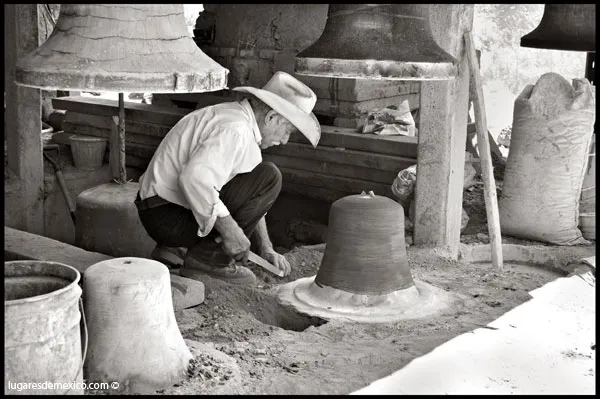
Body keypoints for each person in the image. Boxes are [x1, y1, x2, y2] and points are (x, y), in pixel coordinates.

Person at [134, 71, 321, 285]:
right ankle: (209, 260)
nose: (285, 140)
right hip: (165, 216)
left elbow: (251, 198)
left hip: (161, 210)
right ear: (272, 118)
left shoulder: (236, 120)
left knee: (261, 177)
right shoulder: (236, 130)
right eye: (287, 131)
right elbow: (195, 179)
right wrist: (230, 231)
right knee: (270, 177)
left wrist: (266, 247)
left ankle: (177, 249)